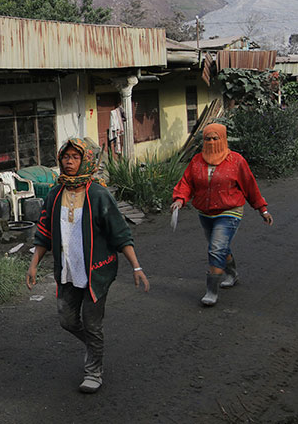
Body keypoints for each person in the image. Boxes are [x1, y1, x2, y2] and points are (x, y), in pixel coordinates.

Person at [26, 138, 149, 393]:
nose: (69, 162)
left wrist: (136, 267)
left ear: (86, 160)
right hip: (67, 271)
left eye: (75, 157)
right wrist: (34, 264)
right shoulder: (55, 194)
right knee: (67, 320)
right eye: (65, 157)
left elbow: (120, 233)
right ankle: (94, 345)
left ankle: (94, 370)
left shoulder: (98, 194)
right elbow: (44, 232)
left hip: (96, 272)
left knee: (92, 323)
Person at [171, 123, 273, 306]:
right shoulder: (197, 161)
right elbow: (186, 183)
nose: (211, 142)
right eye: (208, 139)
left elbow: (250, 187)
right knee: (219, 246)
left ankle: (211, 291)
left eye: (215, 138)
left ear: (223, 139)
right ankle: (232, 273)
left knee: (216, 248)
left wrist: (262, 209)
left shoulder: (236, 161)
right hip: (205, 213)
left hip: (229, 211)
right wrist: (179, 199)